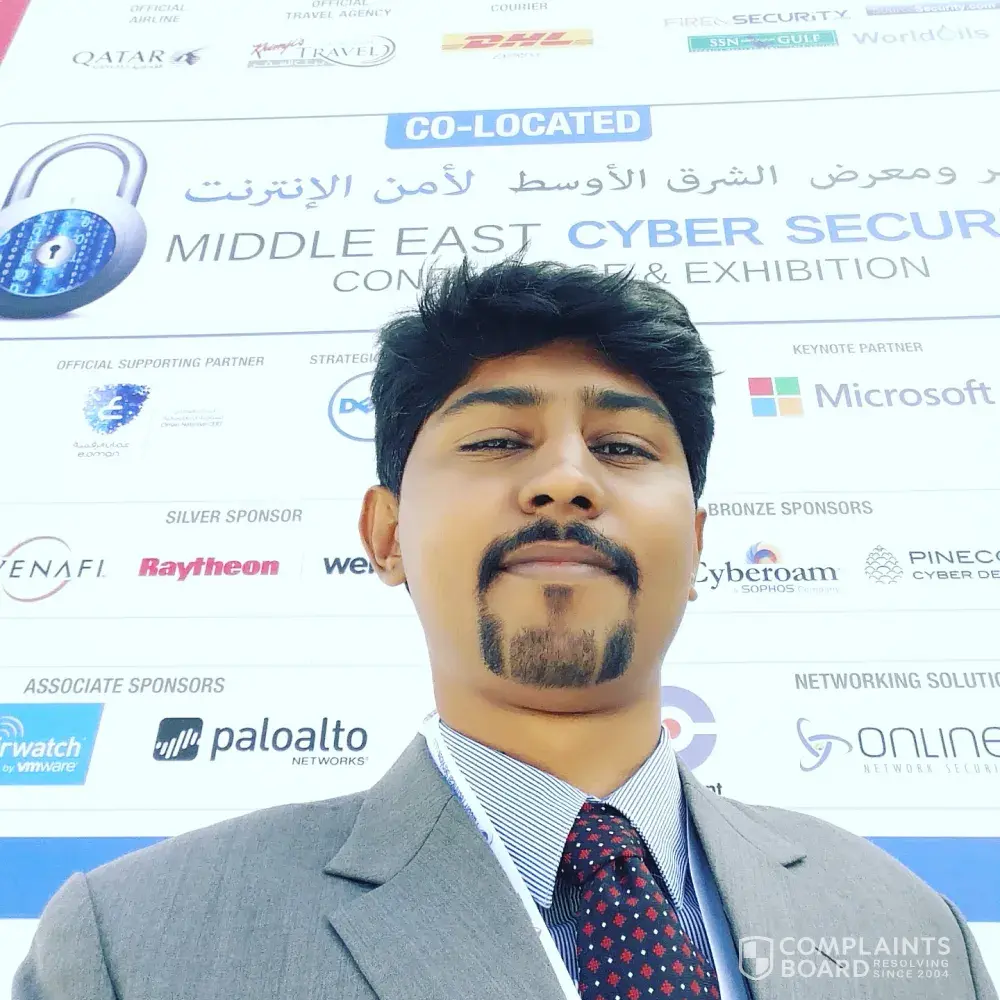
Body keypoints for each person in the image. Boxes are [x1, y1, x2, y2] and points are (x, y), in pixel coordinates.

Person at [14, 257, 996, 1000]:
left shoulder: (911, 929)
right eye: (495, 439)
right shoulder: (135, 943)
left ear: (697, 546)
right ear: (386, 535)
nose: (565, 480)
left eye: (623, 446)